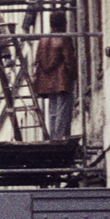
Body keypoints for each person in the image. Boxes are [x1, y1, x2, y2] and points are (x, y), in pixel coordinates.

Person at [32, 11, 76, 139]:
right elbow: (69, 59)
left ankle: (53, 136)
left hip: (47, 81)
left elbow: (37, 60)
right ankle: (61, 137)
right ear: (63, 23)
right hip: (62, 79)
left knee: (53, 111)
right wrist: (73, 74)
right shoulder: (63, 38)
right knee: (63, 111)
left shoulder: (43, 40)